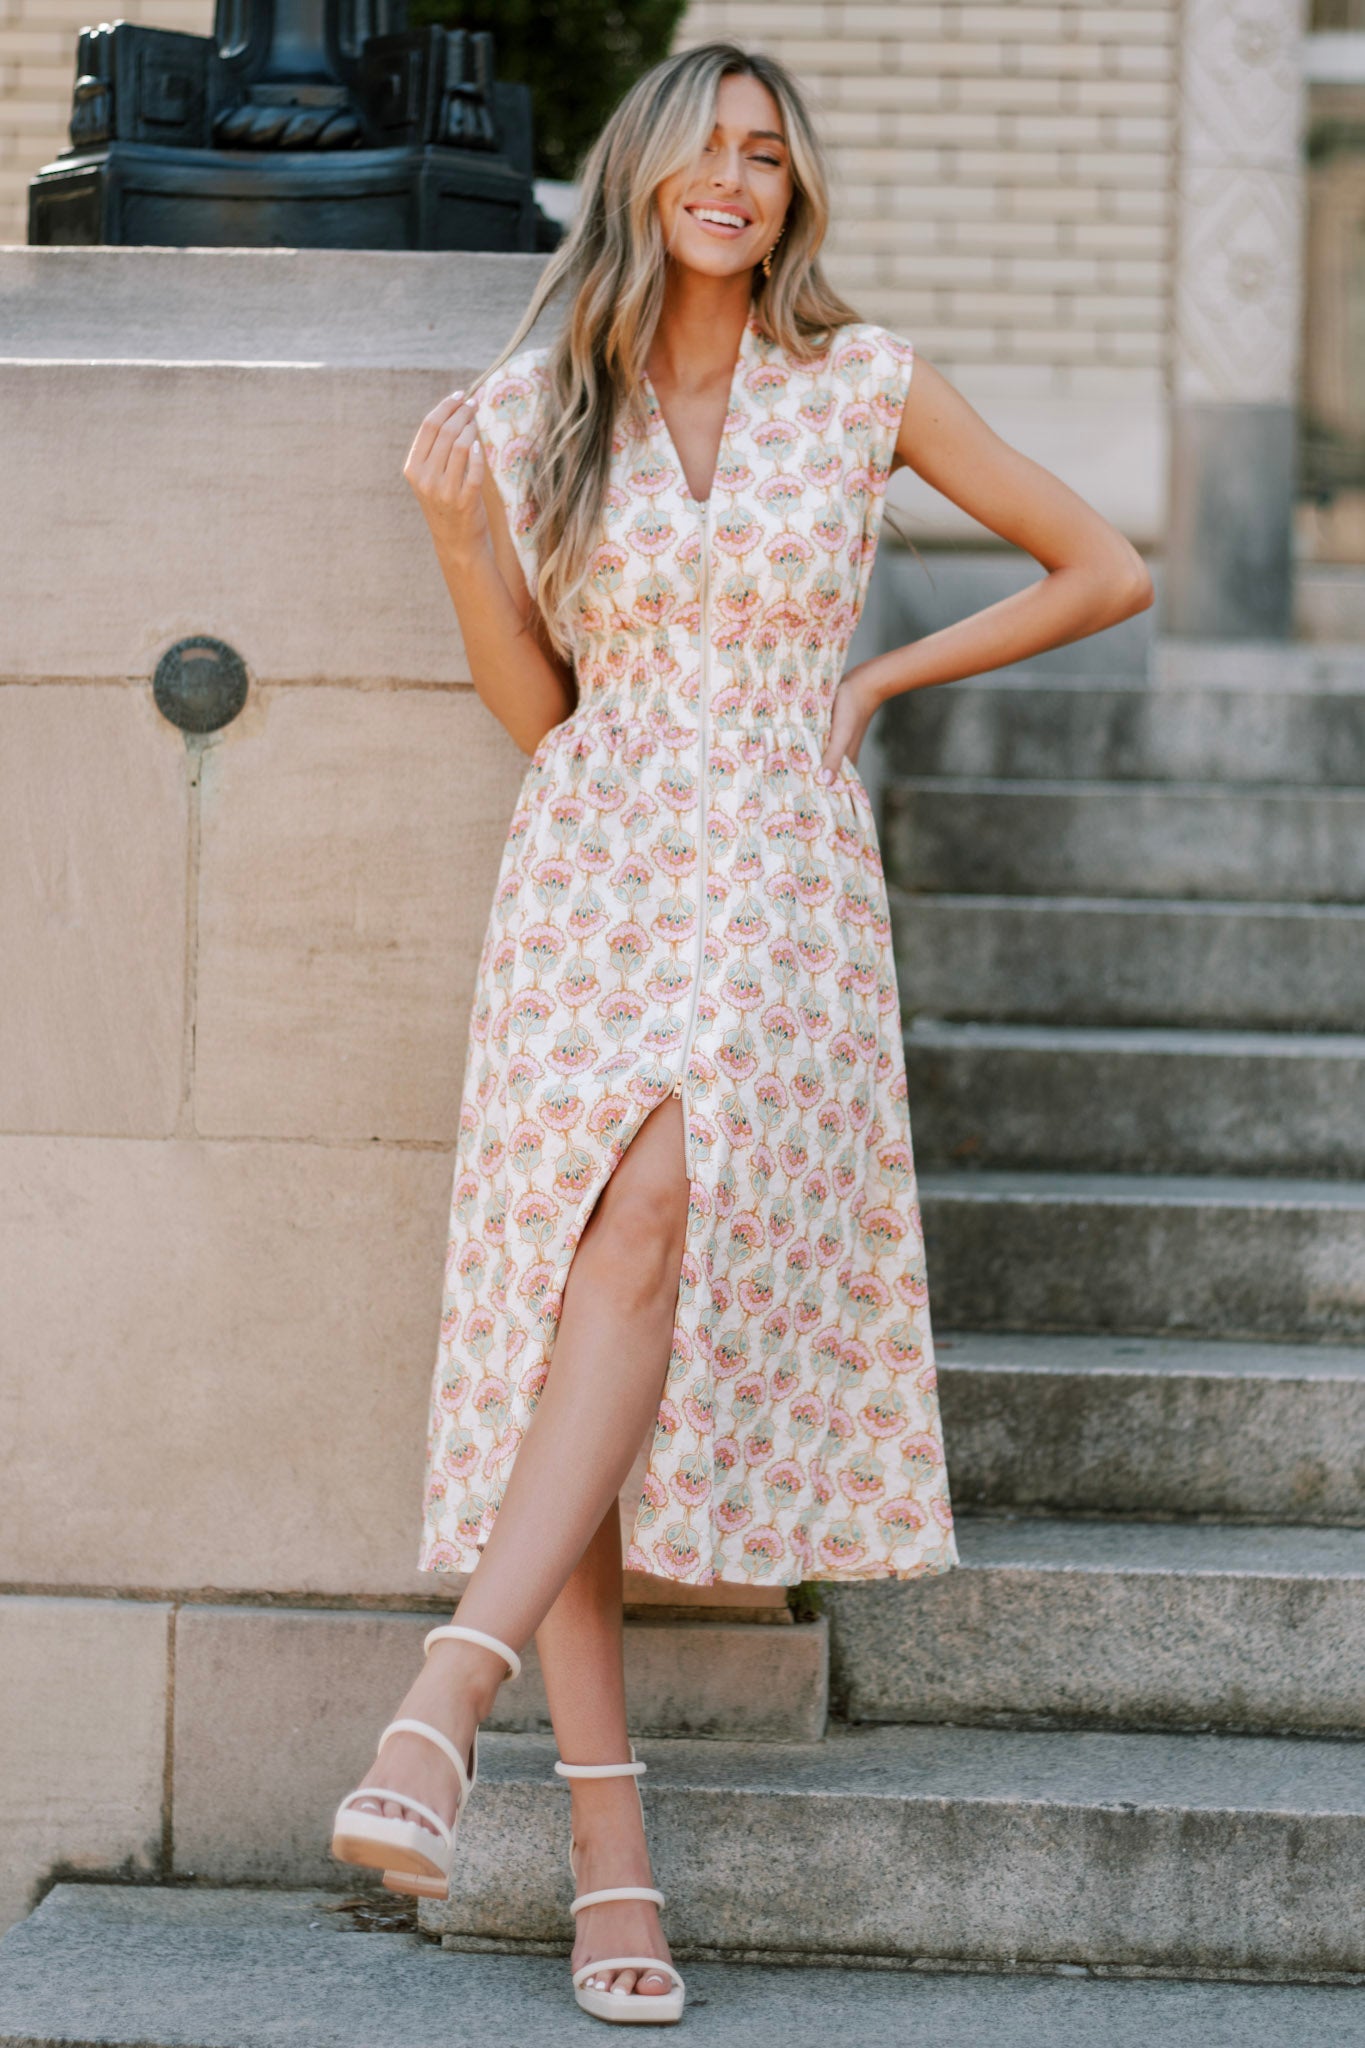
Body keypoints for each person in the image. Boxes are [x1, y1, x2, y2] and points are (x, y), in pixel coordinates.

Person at [330, 39, 1154, 2026]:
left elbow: (1102, 564)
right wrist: (458, 537)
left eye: (766, 158)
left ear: (792, 193)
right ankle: (613, 1868)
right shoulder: (538, 408)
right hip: (591, 877)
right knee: (580, 1295)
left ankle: (450, 1683)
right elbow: (544, 715)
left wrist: (873, 684)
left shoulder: (859, 382)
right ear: (639, 177)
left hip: (779, 879)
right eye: (705, 152)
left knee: (661, 1204)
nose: (735, 182)